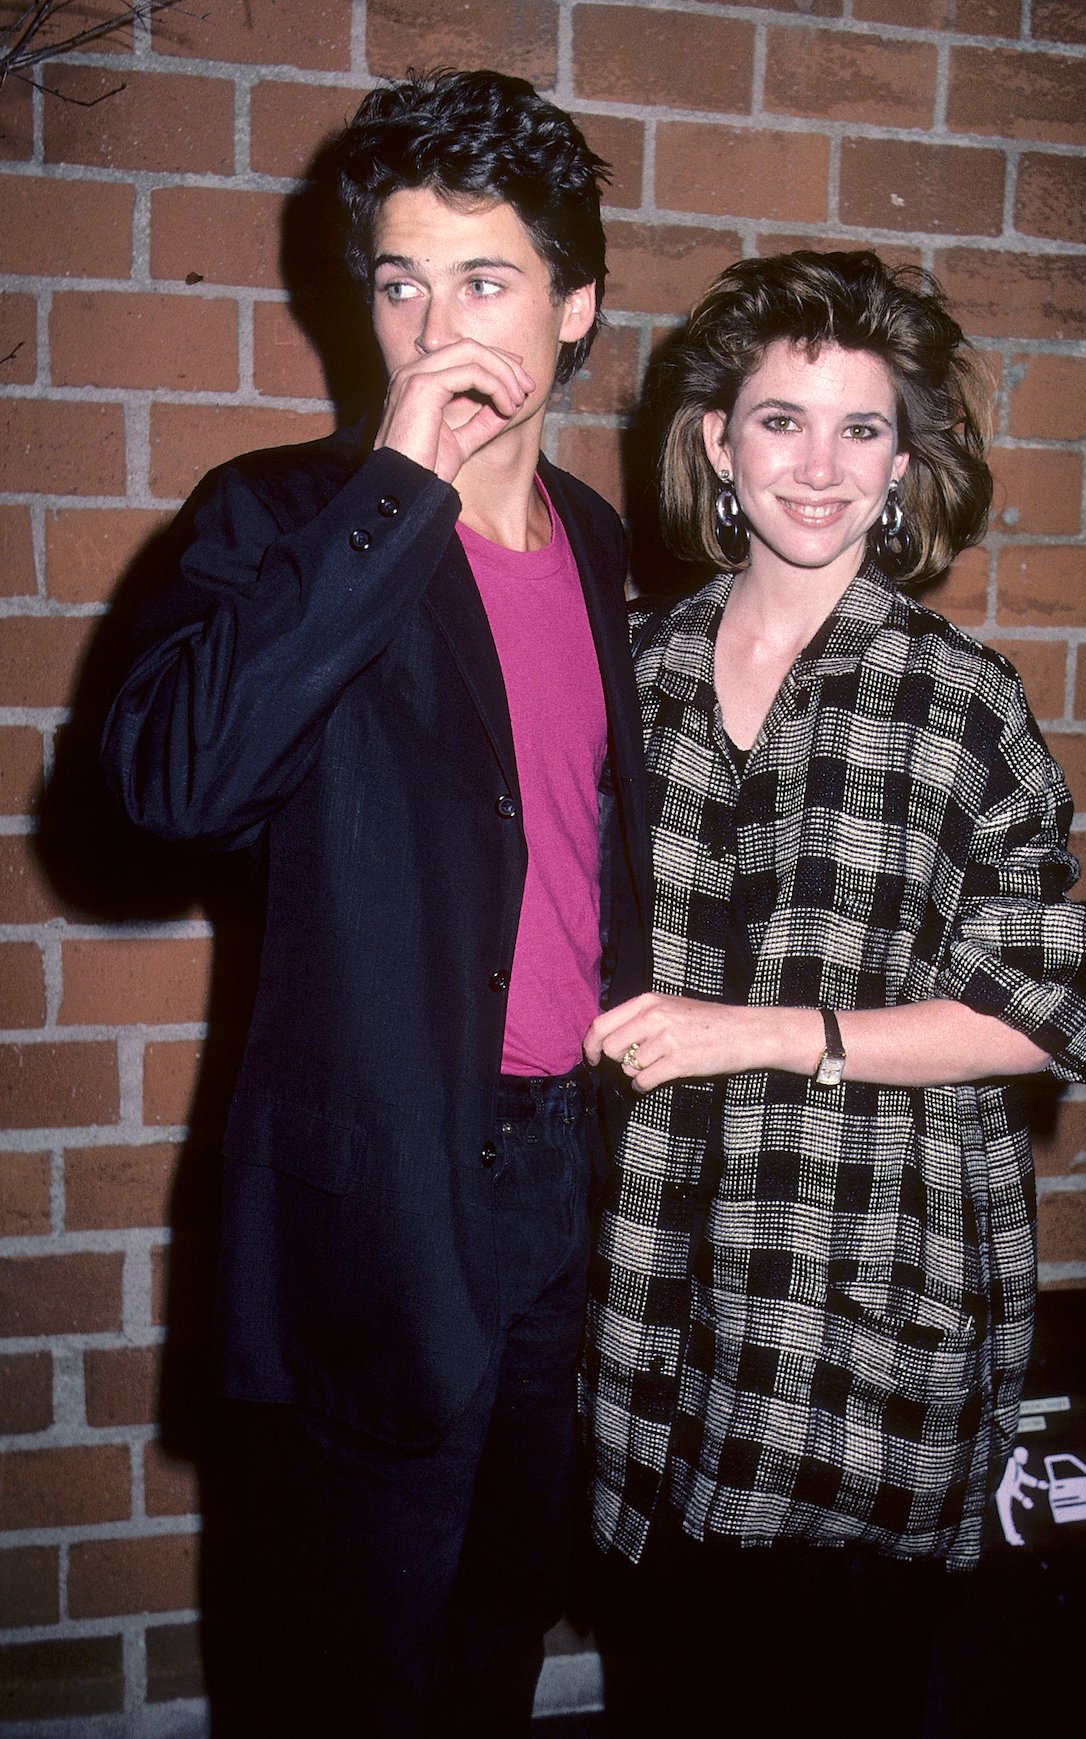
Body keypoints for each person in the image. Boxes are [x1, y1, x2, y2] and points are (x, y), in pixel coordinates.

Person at [100, 68, 650, 1738]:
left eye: (482, 281)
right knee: (340, 1678)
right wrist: (397, 497)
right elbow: (171, 790)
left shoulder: (604, 547)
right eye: (400, 283)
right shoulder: (277, 522)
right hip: (372, 1202)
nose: (433, 328)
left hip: (562, 1174)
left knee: (493, 1643)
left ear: (576, 310)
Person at [581, 250, 1086, 1736]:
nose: (817, 468)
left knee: (838, 1693)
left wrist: (757, 1033)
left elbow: (1047, 1006)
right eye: (778, 421)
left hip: (869, 1290)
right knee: (669, 1689)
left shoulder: (963, 701)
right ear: (716, 446)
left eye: (860, 429)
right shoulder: (632, 677)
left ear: (904, 464)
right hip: (659, 1294)